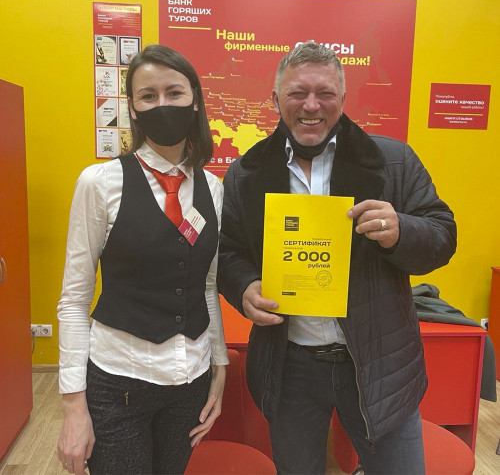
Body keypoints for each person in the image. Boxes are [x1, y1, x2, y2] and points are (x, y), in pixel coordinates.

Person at [217, 41, 457, 474]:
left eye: (325, 93)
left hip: (379, 364)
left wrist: (402, 230)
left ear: (343, 99)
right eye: (297, 93)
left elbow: (443, 235)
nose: (311, 105)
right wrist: (244, 287)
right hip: (290, 366)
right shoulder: (245, 172)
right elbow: (229, 251)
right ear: (275, 99)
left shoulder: (394, 161)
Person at [57, 44, 228, 475]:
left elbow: (207, 285)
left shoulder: (213, 188)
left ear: (195, 100)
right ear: (132, 107)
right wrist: (73, 407)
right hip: (119, 381)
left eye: (175, 92)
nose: (162, 104)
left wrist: (220, 367)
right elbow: (74, 301)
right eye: (148, 96)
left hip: (191, 381)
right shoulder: (99, 183)